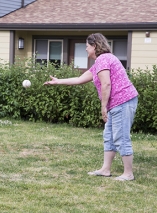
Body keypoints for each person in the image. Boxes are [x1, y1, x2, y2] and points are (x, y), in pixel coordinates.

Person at [44, 33, 138, 181]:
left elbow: (106, 84)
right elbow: (79, 79)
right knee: (109, 136)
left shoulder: (103, 59)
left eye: (87, 47)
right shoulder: (101, 62)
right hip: (118, 103)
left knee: (121, 137)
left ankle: (128, 173)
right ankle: (105, 169)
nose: (86, 50)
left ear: (95, 46)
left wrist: (103, 107)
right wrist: (58, 81)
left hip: (123, 101)